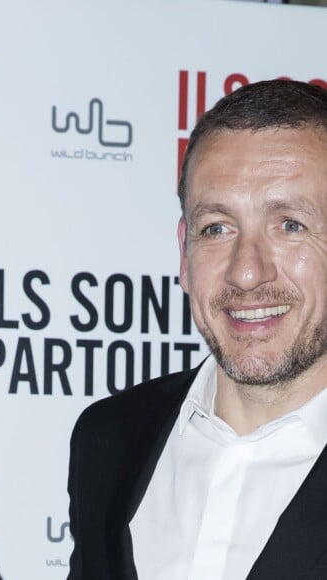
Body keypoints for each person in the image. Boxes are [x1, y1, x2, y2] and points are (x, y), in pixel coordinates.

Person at [67, 79, 327, 580]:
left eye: (290, 224)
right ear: (183, 251)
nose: (247, 272)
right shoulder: (109, 439)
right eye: (217, 228)